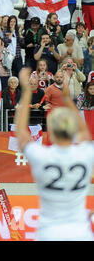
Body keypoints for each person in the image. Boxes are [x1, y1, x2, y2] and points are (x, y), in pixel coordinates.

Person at [15, 67, 93, 241]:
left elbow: (21, 133)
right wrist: (68, 99)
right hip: (80, 233)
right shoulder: (86, 153)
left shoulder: (42, 156)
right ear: (72, 129)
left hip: (48, 233)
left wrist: (26, 91)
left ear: (52, 131)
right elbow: (85, 134)